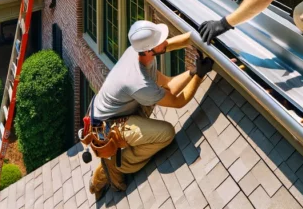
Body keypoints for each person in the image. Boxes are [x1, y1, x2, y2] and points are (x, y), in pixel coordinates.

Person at [86, 20, 214, 197]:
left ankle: (101, 176)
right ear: (149, 50)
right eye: (160, 40)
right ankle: (116, 164)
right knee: (166, 133)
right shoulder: (140, 82)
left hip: (118, 110)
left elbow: (170, 85)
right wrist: (199, 76)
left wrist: (202, 38)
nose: (166, 41)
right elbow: (178, 102)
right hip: (107, 127)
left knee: (157, 96)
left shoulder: (139, 52)